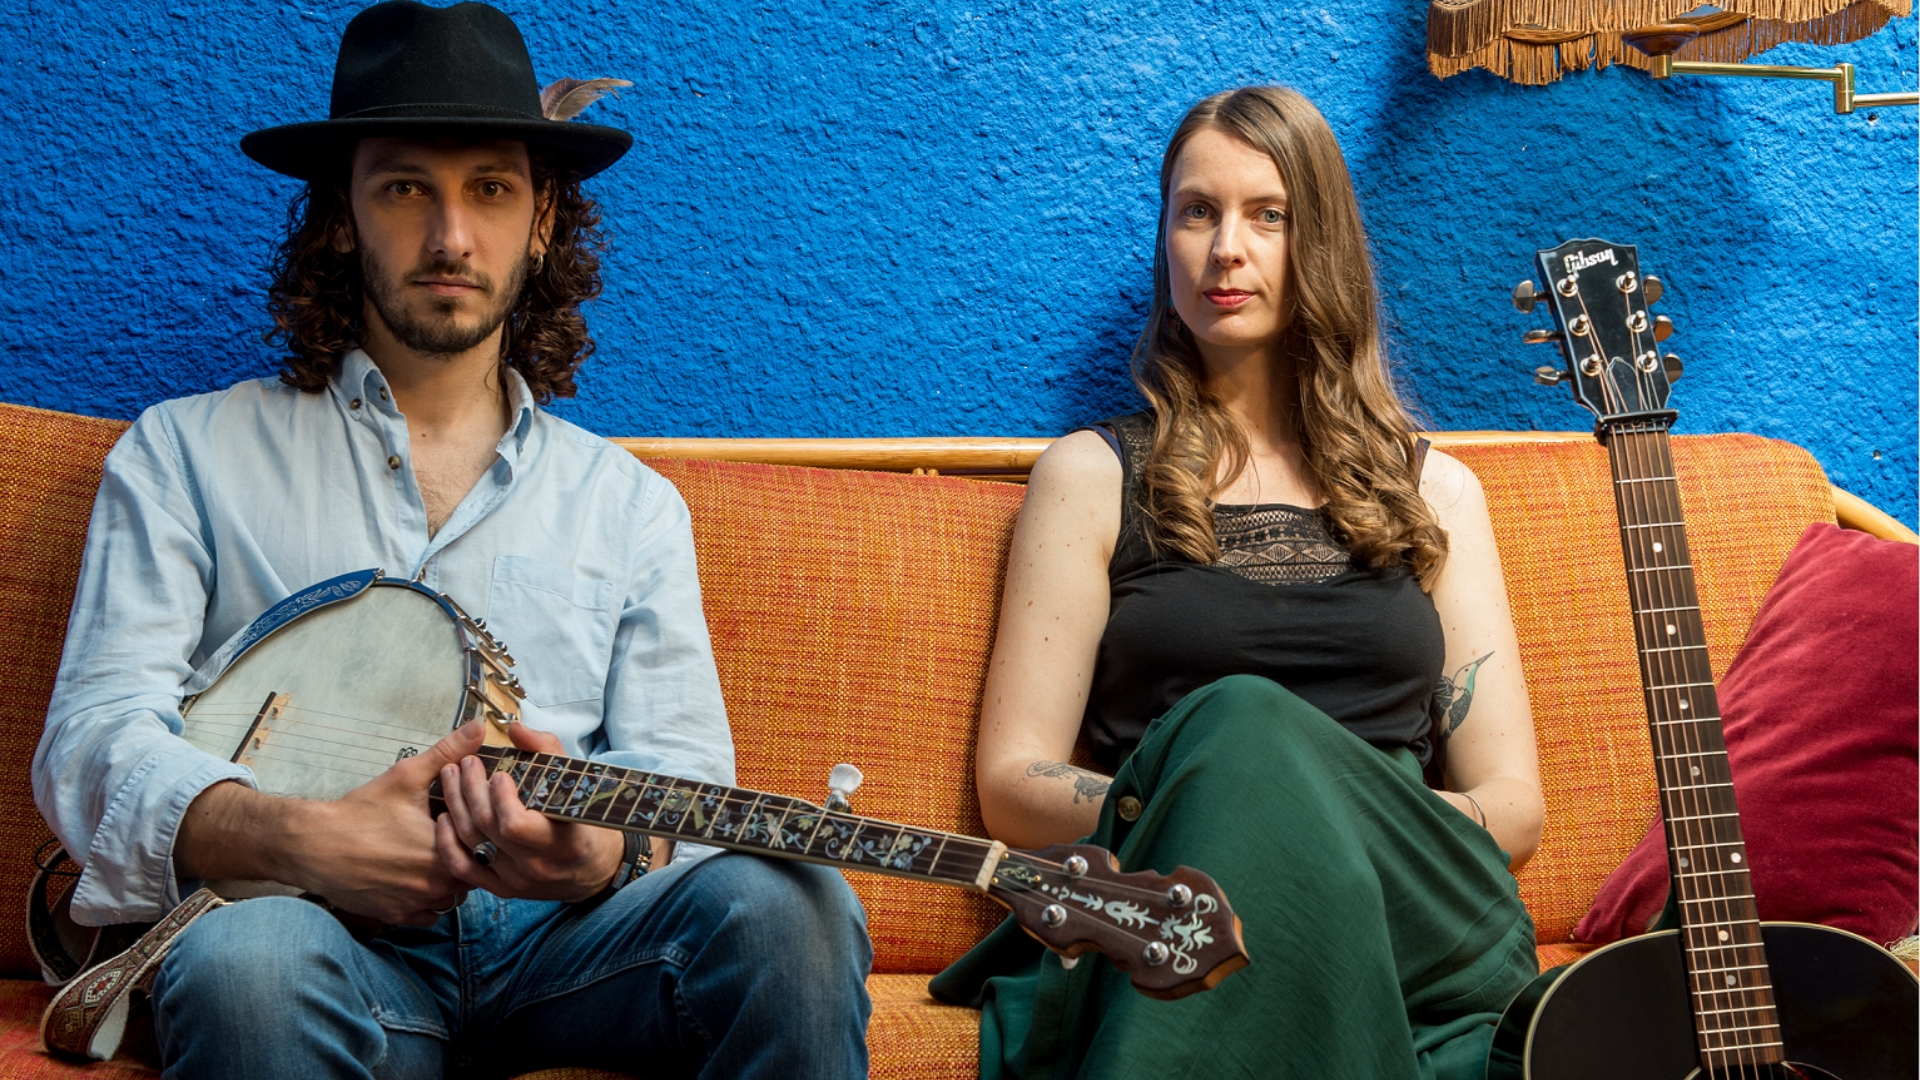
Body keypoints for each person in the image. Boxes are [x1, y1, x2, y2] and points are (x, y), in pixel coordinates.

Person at [30, 3, 870, 1077]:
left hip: (569, 949)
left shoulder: (630, 503)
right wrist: (297, 839)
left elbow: (683, 782)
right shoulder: (184, 453)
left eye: (489, 188)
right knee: (250, 961)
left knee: (791, 903)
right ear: (341, 214)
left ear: (544, 221)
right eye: (403, 188)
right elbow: (92, 741)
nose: (450, 237)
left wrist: (597, 854)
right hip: (307, 931)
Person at [929, 86, 1545, 1079]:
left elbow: (1512, 804)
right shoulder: (1088, 478)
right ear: (1165, 239)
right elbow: (1012, 785)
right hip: (1175, 901)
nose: (1226, 249)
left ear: (1323, 245)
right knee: (1239, 728)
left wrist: (1310, 818)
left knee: (1251, 728)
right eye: (1196, 211)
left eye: (1269, 215)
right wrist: (1224, 800)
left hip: (1413, 904)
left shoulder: (1438, 490)